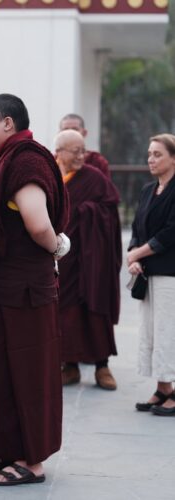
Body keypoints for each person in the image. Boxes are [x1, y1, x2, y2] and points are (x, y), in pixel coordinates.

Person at [0, 94, 69, 486]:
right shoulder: (6, 161)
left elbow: (38, 224)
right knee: (3, 369)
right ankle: (9, 447)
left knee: (26, 372)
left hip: (23, 293)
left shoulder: (26, 161)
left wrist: (59, 247)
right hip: (4, 291)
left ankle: (31, 461)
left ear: (8, 124)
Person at [54, 130, 122, 390]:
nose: (82, 156)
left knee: (95, 307)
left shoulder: (94, 178)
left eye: (83, 151)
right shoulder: (52, 177)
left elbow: (109, 211)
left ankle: (102, 366)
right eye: (76, 151)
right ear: (59, 152)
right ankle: (69, 366)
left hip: (93, 257)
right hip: (65, 257)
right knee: (66, 311)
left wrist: (85, 214)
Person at [127, 133, 175, 416]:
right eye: (149, 154)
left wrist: (139, 253)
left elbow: (171, 232)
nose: (151, 159)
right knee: (153, 332)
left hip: (171, 271)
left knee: (169, 331)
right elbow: (137, 227)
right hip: (149, 272)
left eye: (157, 154)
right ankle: (163, 388)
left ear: (173, 158)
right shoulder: (148, 190)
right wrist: (134, 254)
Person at [59, 113, 111, 178]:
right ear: (59, 133)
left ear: (84, 133)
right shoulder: (51, 161)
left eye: (75, 129)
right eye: (66, 130)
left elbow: (104, 186)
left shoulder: (97, 162)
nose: (70, 133)